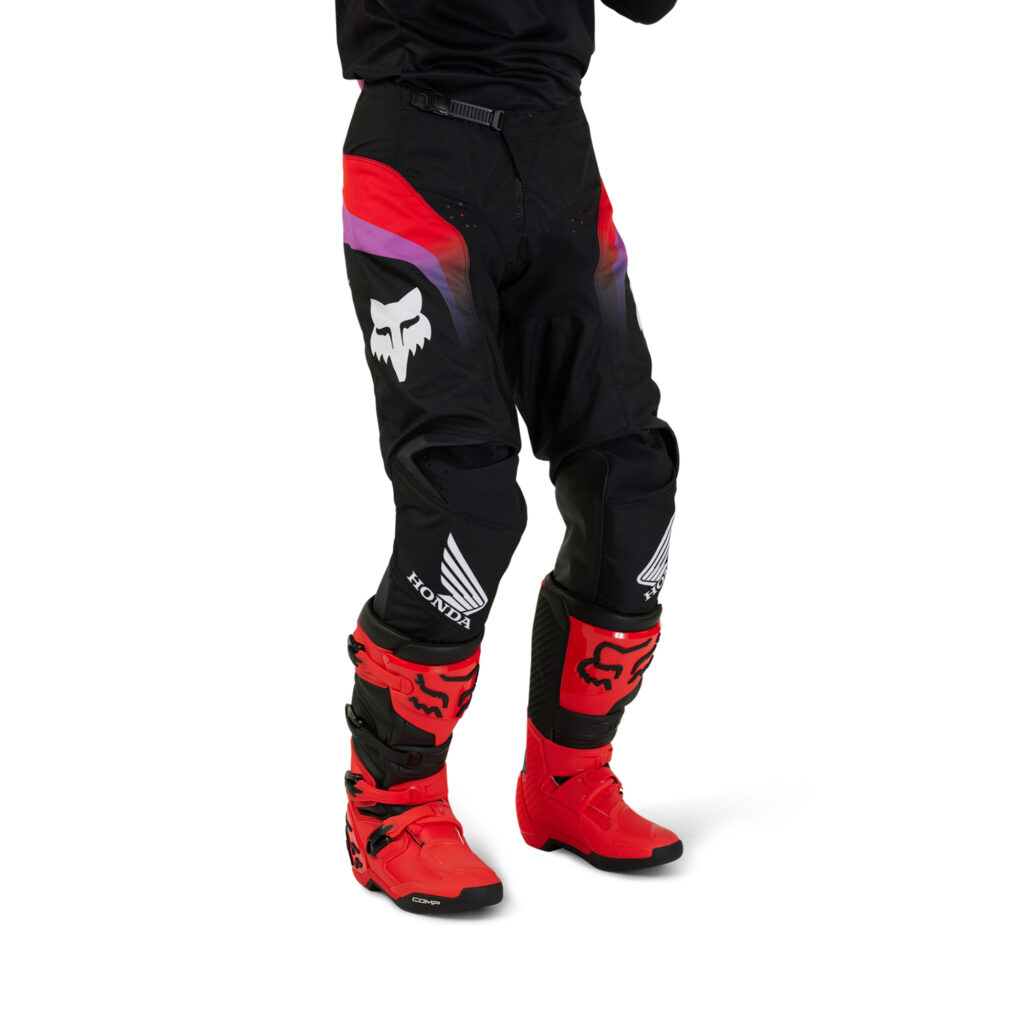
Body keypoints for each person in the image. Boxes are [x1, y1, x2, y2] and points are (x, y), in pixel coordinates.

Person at [336, 0, 682, 914]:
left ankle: (568, 781)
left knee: (632, 480)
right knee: (466, 502)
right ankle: (392, 808)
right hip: (417, 143)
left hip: (555, 147)